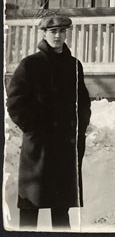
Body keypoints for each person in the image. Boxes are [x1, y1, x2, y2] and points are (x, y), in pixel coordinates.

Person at [7, 15, 91, 229]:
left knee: (61, 208)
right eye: (53, 32)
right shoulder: (30, 64)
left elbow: (83, 101)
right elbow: (15, 102)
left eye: (62, 31)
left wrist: (79, 129)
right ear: (44, 33)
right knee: (30, 205)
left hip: (64, 147)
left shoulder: (73, 65)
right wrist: (34, 129)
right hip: (39, 147)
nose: (57, 36)